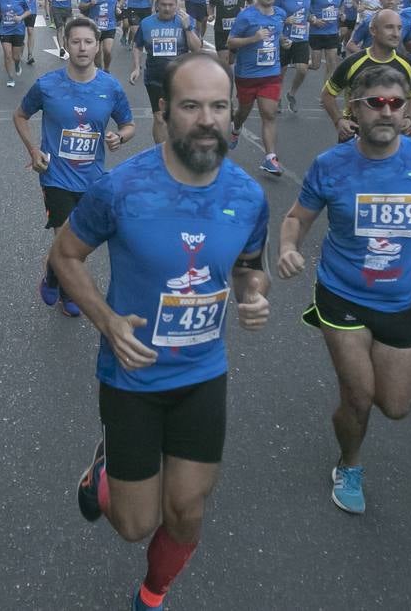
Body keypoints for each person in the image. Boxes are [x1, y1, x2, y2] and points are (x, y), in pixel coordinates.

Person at [52, 52, 271, 611]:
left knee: (187, 512)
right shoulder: (120, 188)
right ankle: (104, 470)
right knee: (132, 524)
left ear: (233, 112)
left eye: (218, 107)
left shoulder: (248, 197)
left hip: (203, 373)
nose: (207, 119)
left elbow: (250, 266)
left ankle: (152, 593)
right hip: (132, 374)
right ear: (165, 112)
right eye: (191, 106)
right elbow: (66, 255)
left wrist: (252, 294)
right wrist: (106, 321)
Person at [279, 65, 411, 513]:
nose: (386, 111)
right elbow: (297, 217)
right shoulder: (331, 165)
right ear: (354, 110)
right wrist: (288, 248)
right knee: (358, 396)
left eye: (395, 103)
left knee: (395, 406)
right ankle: (350, 463)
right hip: (341, 296)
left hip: (397, 301)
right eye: (375, 103)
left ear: (406, 112)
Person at [15, 18, 136, 317]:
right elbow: (19, 115)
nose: (82, 47)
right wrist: (33, 149)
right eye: (75, 41)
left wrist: (119, 137)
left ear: (97, 45)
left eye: (88, 42)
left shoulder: (110, 87)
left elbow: (129, 125)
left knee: (78, 245)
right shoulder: (47, 85)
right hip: (56, 177)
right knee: (63, 237)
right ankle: (69, 294)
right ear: (66, 45)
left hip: (93, 179)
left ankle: (53, 276)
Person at [322, 9, 411, 142]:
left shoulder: (408, 63)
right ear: (373, 30)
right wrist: (338, 121)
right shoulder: (353, 63)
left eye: (399, 28)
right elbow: (327, 94)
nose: (396, 34)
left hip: (390, 138)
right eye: (389, 27)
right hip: (355, 137)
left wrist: (407, 117)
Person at [227, 0, 290, 175]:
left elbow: (276, 34)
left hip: (271, 73)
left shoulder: (280, 14)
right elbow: (231, 42)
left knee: (268, 113)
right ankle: (236, 129)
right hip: (247, 74)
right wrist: (253, 38)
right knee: (243, 112)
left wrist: (283, 41)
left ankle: (270, 158)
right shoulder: (246, 16)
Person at [131, 0, 203, 144]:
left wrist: (188, 28)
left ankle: (180, 149)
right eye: (163, 5)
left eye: (171, 5)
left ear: (176, 5)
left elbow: (197, 48)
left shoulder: (184, 21)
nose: (167, 8)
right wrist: (137, 67)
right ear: (157, 5)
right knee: (159, 118)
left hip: (180, 80)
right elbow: (137, 46)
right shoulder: (147, 23)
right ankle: (160, 154)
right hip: (154, 79)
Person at [277, 0, 315, 113]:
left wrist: (312, 17)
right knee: (282, 71)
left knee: (302, 69)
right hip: (285, 37)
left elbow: (307, 12)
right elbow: (274, 14)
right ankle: (278, 97)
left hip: (301, 37)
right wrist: (285, 20)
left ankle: (291, 94)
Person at [209, 0, 252, 72]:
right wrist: (211, 14)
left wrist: (248, 12)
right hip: (221, 30)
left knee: (231, 60)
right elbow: (211, 5)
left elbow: (252, 2)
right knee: (224, 63)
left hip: (237, 31)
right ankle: (226, 85)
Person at [80, 0, 122, 72]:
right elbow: (81, 6)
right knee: (97, 53)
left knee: (107, 51)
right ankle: (99, 71)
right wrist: (90, 4)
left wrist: (118, 7)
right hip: (94, 26)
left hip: (110, 25)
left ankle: (106, 69)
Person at [0, 0, 32, 86]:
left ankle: (17, 64)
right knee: (7, 55)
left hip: (18, 30)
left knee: (16, 57)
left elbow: (29, 11)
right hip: (4, 30)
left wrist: (20, 17)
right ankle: (10, 78)